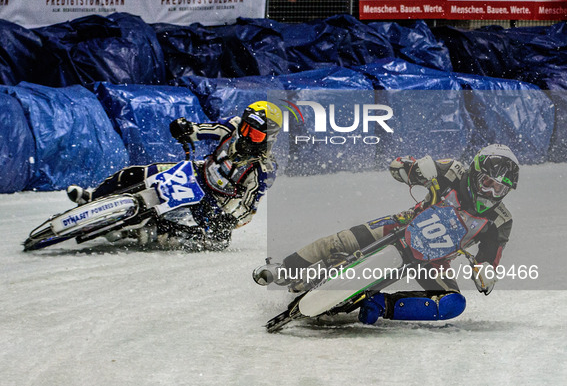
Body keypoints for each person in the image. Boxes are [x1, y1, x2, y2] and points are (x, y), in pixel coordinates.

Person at [254, 144, 519, 324]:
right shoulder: (451, 170)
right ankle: (285, 269)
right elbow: (397, 166)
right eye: (487, 182)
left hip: (434, 260)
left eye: (500, 189)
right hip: (404, 224)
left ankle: (380, 305)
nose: (490, 193)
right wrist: (414, 168)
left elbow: (489, 259)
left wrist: (486, 272)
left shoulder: (500, 221)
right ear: (475, 172)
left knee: (453, 303)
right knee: (342, 240)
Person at [67, 101, 282, 251]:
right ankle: (93, 197)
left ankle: (140, 232)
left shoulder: (264, 168)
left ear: (269, 138)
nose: (245, 135)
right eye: (246, 128)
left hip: (213, 203)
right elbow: (202, 130)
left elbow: (248, 208)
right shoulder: (233, 126)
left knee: (214, 238)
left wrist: (229, 221)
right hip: (195, 173)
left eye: (254, 134)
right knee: (136, 173)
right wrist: (185, 128)